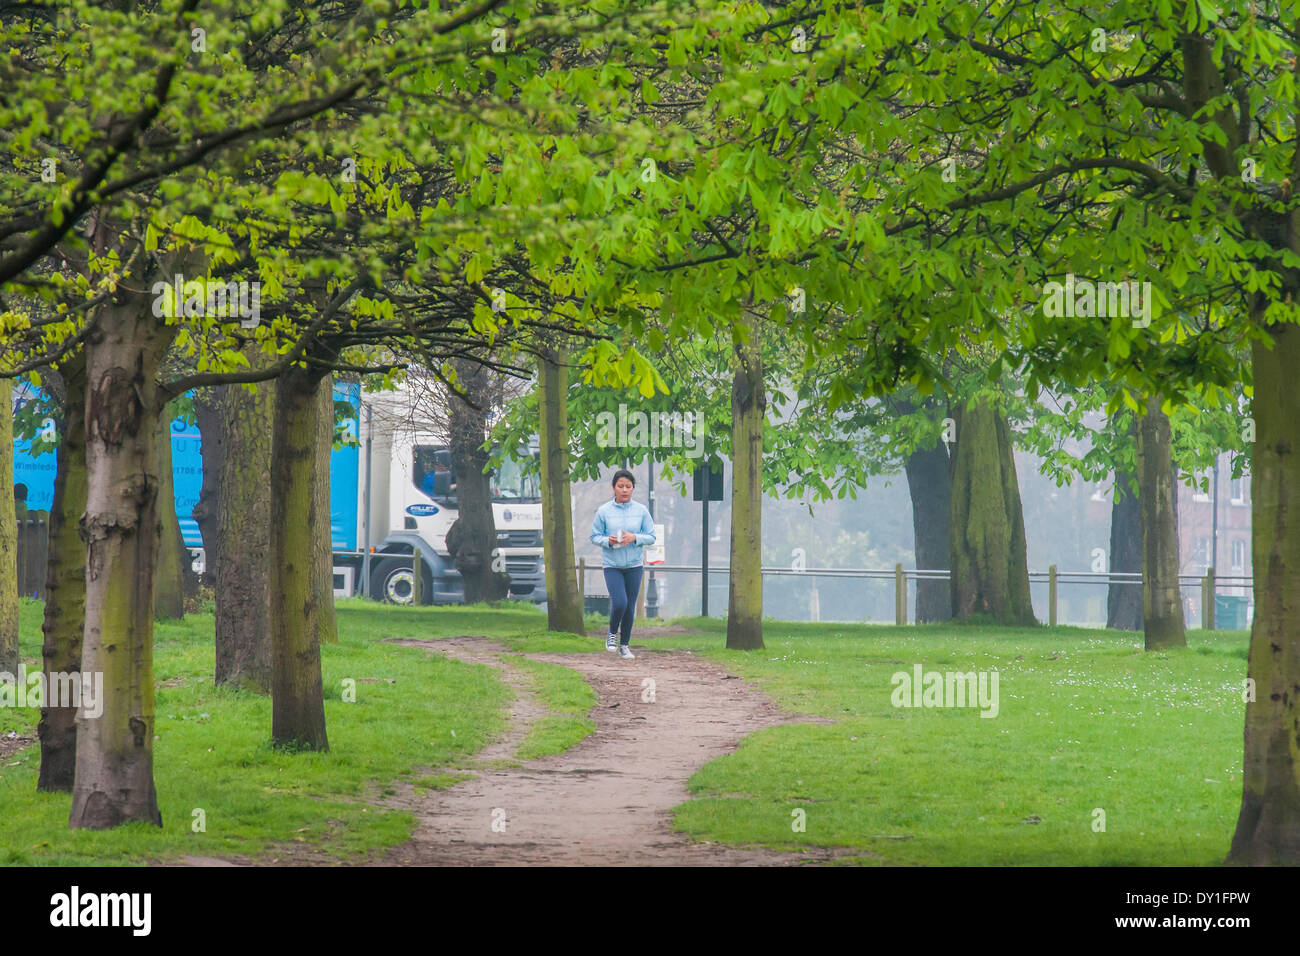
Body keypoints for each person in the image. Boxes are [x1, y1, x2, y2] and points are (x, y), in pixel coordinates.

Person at [590, 469, 655, 659]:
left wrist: (635, 537)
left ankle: (624, 645)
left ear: (633, 489)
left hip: (634, 565)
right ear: (613, 488)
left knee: (630, 607)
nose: (624, 490)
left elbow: (651, 537)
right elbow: (594, 537)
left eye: (628, 486)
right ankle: (612, 633)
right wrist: (608, 541)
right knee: (620, 602)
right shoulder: (604, 511)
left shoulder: (641, 511)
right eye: (620, 486)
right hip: (612, 564)